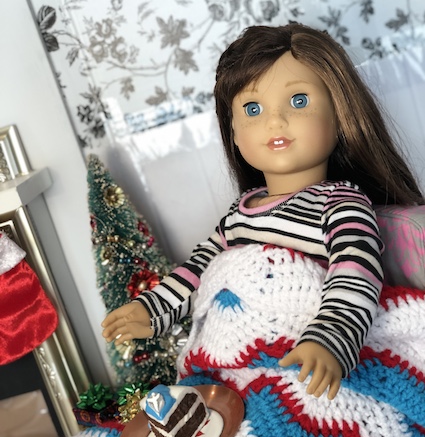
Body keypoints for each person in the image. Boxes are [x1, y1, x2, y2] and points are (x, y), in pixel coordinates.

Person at [102, 23, 424, 399]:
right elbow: (198, 272)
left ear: (339, 114)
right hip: (240, 357)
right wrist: (152, 309)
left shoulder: (340, 205)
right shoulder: (239, 216)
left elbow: (355, 274)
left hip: (305, 367)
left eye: (299, 101)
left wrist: (329, 340)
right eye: (252, 109)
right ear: (234, 132)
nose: (274, 121)